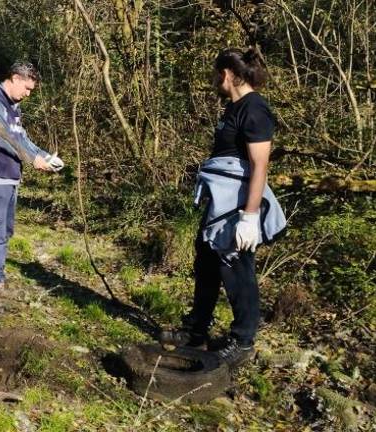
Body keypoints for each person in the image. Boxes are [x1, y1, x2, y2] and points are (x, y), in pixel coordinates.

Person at [159, 48, 286, 368]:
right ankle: (196, 332)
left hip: (240, 207)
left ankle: (243, 342)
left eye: (217, 74)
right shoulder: (233, 108)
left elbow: (259, 166)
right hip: (221, 205)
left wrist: (250, 217)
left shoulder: (255, 110)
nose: (214, 80)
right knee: (205, 259)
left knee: (237, 268)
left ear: (228, 73)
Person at [0, 61, 64, 312]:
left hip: (10, 176)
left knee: (5, 232)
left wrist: (44, 155)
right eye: (27, 88)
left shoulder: (13, 108)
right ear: (14, 78)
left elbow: (22, 138)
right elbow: (5, 138)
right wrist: (32, 159)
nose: (28, 94)